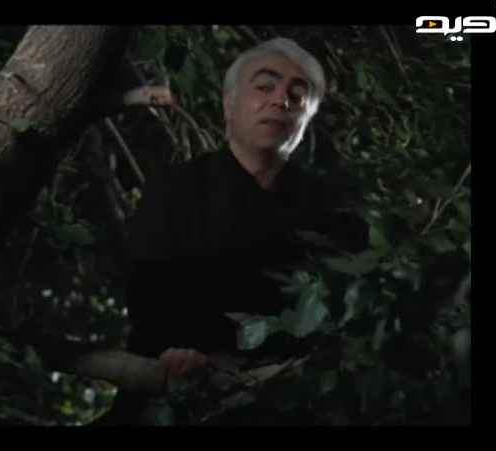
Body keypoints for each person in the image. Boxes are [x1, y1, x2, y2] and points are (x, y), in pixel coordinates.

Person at [100, 37, 367, 425]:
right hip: (172, 390)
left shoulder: (333, 209)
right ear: (229, 105)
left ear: (308, 117)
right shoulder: (174, 189)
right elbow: (148, 292)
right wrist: (176, 350)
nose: (281, 100)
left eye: (298, 95)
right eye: (265, 86)